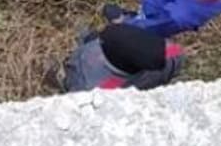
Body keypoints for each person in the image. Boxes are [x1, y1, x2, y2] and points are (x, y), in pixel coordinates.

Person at [57, 21, 185, 92]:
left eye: (101, 43)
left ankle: (62, 81)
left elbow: (81, 95)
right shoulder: (172, 53)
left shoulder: (96, 88)